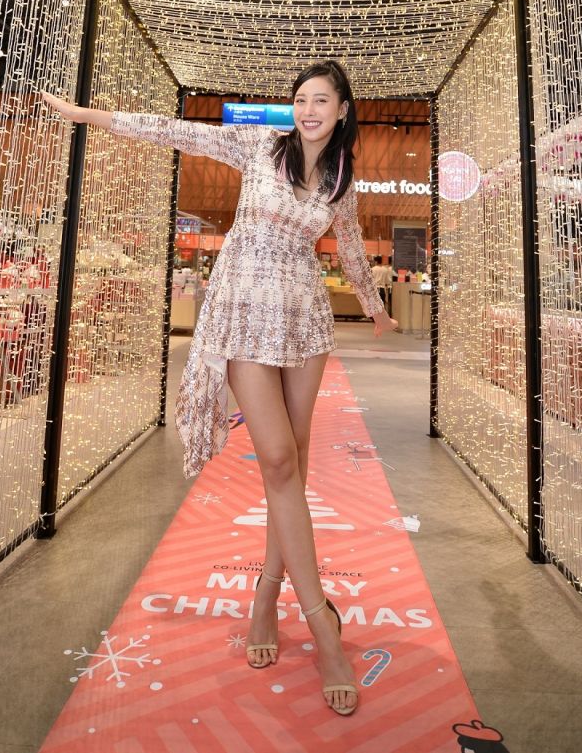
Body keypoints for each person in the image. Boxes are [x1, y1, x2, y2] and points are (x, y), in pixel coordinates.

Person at [41, 59, 398, 718]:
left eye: (321, 100)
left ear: (343, 110)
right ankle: (322, 624)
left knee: (292, 464)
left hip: (303, 320)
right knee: (278, 459)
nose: (309, 109)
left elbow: (349, 246)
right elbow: (174, 131)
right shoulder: (258, 145)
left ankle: (267, 591)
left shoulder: (341, 180)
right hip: (241, 314)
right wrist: (88, 116)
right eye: (301, 99)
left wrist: (376, 308)